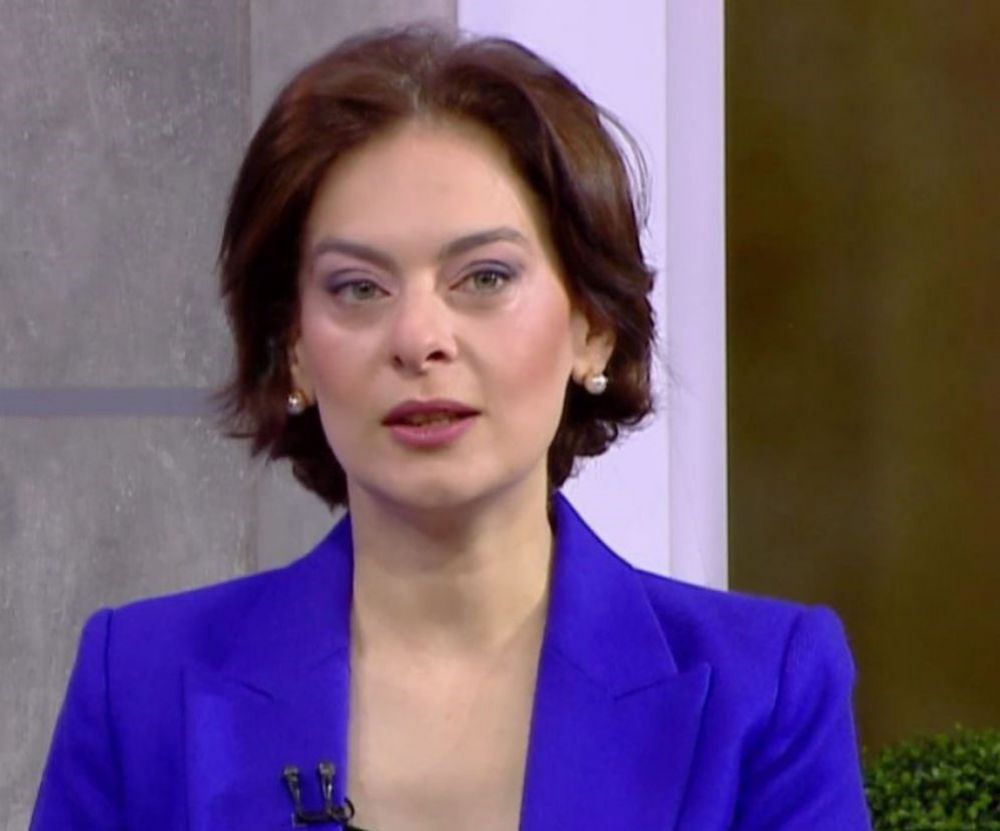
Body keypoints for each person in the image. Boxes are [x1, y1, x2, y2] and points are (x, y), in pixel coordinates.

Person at [31, 25, 872, 830]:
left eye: (485, 277)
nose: (419, 338)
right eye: (359, 288)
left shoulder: (763, 693)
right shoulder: (138, 686)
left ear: (592, 326)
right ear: (293, 351)